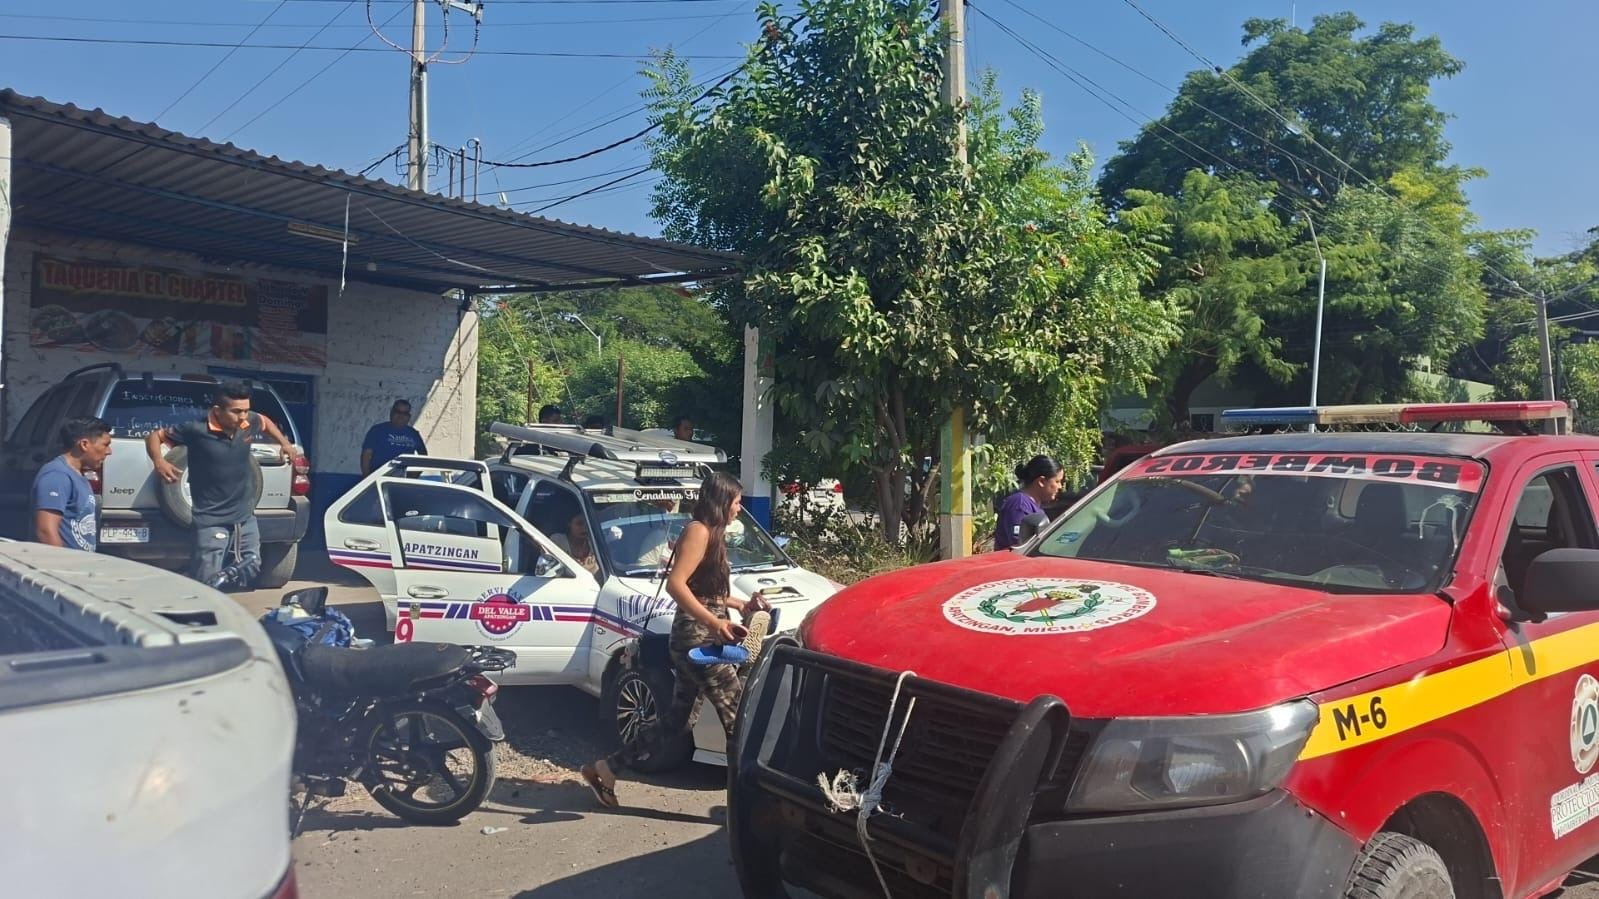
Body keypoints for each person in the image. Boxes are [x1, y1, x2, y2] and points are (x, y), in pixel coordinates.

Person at [581, 472, 770, 808]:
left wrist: (741, 604)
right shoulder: (698, 531)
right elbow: (676, 585)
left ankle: (606, 769)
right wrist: (714, 622)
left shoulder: (713, 534)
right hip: (697, 642)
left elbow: (704, 591)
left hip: (698, 637)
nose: (740, 508)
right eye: (737, 502)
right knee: (738, 719)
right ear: (722, 501)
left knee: (678, 722)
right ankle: (742, 808)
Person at [147, 381, 295, 586]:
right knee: (208, 579)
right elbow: (155, 436)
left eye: (246, 410)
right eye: (236, 412)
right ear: (217, 410)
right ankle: (199, 605)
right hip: (211, 519)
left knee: (252, 564)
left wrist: (284, 443)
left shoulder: (247, 421)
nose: (243, 416)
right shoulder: (195, 430)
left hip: (245, 516)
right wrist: (159, 461)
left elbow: (264, 421)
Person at [31, 417, 112, 551]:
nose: (109, 451)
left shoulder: (78, 475)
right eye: (105, 444)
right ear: (84, 444)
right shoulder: (57, 475)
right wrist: (64, 567)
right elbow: (45, 531)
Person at [995, 455, 1064, 550]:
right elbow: (1020, 546)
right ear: (1042, 481)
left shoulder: (1034, 506)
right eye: (1057, 481)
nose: (1060, 487)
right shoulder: (1019, 505)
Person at [360, 399, 427, 475]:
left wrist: (414, 475)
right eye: (398, 412)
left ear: (409, 416)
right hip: (379, 478)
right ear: (392, 413)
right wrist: (367, 478)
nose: (401, 416)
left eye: (405, 413)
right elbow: (366, 455)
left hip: (403, 480)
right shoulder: (377, 431)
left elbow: (423, 457)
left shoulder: (414, 434)